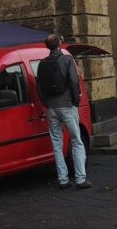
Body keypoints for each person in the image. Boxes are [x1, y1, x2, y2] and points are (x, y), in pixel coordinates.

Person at [35, 34, 91, 190]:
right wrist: (75, 102)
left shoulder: (42, 63)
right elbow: (74, 81)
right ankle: (81, 179)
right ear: (59, 44)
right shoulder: (67, 60)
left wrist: (46, 103)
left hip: (51, 107)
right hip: (67, 104)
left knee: (56, 144)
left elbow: (38, 86)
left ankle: (63, 179)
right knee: (77, 141)